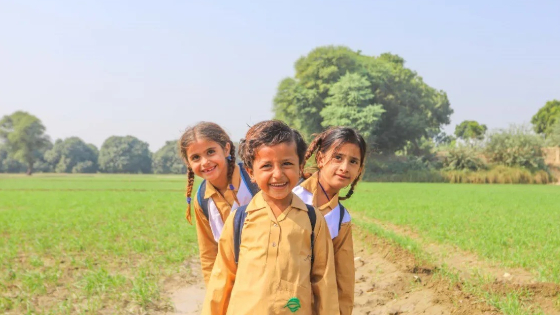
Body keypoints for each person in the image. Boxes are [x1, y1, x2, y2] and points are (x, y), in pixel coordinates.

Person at [202, 120, 340, 315]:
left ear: (300, 167)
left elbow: (324, 282)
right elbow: (221, 281)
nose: (278, 174)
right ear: (251, 173)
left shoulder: (313, 220)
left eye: (287, 164)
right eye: (266, 166)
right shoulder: (239, 220)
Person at [293, 127, 367, 315]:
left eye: (353, 162)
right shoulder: (292, 198)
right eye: (338, 157)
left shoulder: (342, 218)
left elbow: (344, 278)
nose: (344, 167)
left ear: (359, 170)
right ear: (320, 158)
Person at [178, 122, 258, 284]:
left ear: (226, 149)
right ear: (188, 163)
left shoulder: (255, 180)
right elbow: (209, 254)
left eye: (210, 152)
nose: (205, 162)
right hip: (235, 281)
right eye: (195, 158)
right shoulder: (202, 200)